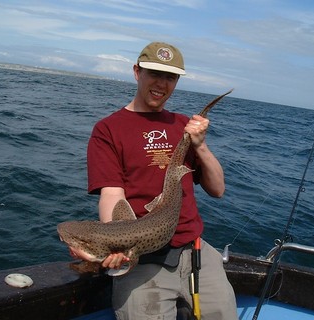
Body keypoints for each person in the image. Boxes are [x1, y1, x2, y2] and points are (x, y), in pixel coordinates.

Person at [71, 42, 238, 319]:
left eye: (170, 77)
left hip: (195, 251)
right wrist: (116, 243)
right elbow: (112, 195)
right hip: (143, 260)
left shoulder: (183, 126)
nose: (162, 83)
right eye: (154, 74)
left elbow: (218, 190)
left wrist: (200, 146)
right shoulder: (108, 129)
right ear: (137, 72)